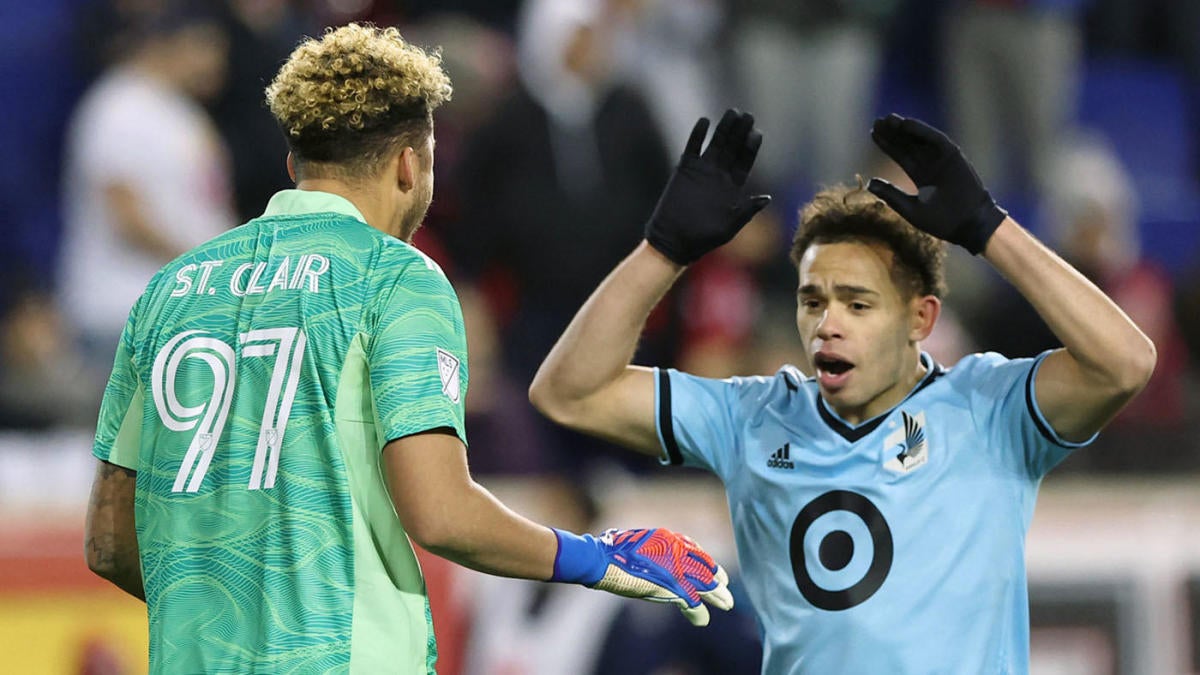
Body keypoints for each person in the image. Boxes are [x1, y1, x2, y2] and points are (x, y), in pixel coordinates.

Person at [82, 23, 732, 674]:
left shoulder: (172, 289)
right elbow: (442, 512)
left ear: (294, 165)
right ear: (411, 163)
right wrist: (601, 557)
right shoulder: (395, 277)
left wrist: (226, 610)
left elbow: (110, 541)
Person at [529, 110, 1157, 672]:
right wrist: (661, 252)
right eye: (812, 301)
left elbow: (1124, 362)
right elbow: (569, 393)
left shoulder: (988, 410)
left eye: (857, 304)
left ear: (922, 319)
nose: (827, 323)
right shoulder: (752, 416)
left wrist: (989, 229)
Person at [58, 3, 236, 372]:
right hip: (124, 310)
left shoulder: (176, 109)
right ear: (168, 44)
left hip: (173, 309)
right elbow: (127, 217)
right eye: (206, 47)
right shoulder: (119, 107)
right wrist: (210, 263)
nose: (215, 62)